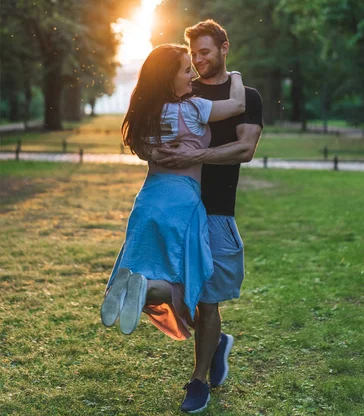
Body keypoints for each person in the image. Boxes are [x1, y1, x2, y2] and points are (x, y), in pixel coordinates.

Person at [100, 43, 245, 413]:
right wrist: (238, 78)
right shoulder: (194, 107)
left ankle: (137, 286)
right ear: (170, 77)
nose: (192, 76)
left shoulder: (148, 114)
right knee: (185, 280)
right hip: (182, 203)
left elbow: (143, 149)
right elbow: (237, 106)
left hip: (148, 202)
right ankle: (146, 289)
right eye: (185, 71)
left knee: (148, 271)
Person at [152, 20, 263, 413]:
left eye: (205, 52)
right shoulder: (184, 90)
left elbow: (244, 148)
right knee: (163, 292)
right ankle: (215, 342)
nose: (198, 61)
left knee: (208, 301)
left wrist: (194, 155)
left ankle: (198, 381)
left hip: (216, 211)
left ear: (223, 47)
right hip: (178, 208)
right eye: (193, 54)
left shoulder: (246, 95)